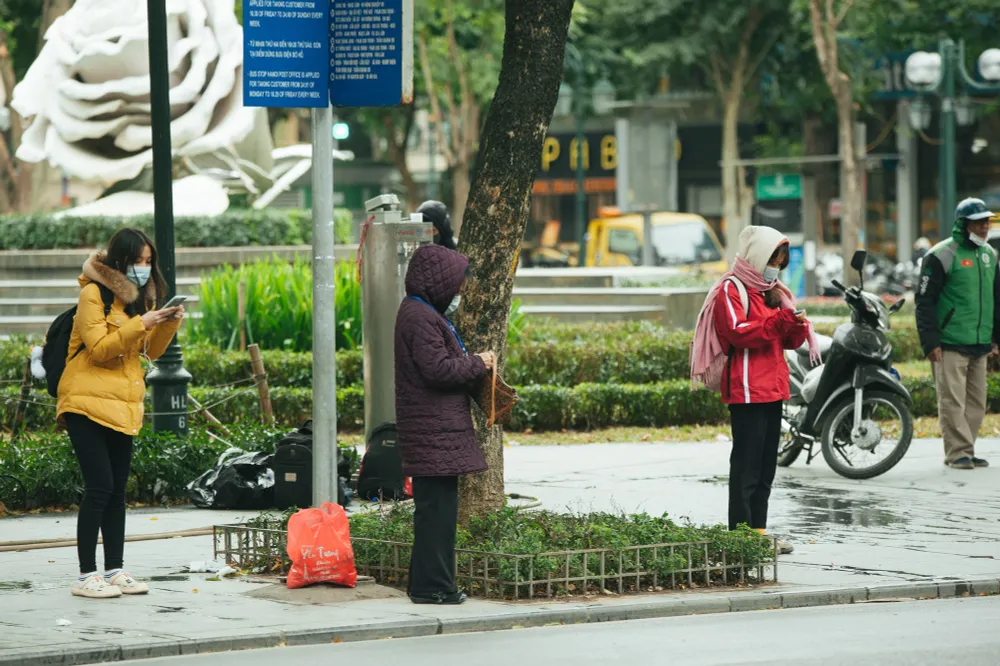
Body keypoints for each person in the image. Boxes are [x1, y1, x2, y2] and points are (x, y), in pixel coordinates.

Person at [57, 228, 184, 598]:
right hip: (84, 402)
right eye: (137, 261)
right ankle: (85, 577)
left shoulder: (138, 303)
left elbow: (151, 352)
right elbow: (98, 349)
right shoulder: (92, 294)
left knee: (116, 493)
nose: (144, 268)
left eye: (148, 262)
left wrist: (167, 321)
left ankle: (114, 570)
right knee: (99, 488)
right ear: (118, 261)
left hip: (123, 405)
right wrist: (139, 323)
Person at [690, 226, 816, 553]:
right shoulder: (730, 290)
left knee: (765, 469)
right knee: (745, 467)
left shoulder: (773, 291)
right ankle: (739, 537)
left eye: (780, 260)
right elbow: (738, 332)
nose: (776, 265)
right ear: (757, 256)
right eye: (773, 258)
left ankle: (758, 534)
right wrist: (778, 324)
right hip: (746, 390)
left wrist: (795, 326)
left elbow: (787, 341)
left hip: (773, 388)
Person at [394, 243, 495, 605]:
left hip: (435, 434)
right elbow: (437, 370)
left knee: (436, 515)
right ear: (436, 281)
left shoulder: (421, 313)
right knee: (436, 517)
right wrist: (478, 363)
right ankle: (433, 588)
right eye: (455, 284)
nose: (458, 292)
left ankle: (429, 584)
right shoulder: (420, 317)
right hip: (432, 433)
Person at [915, 198, 1000, 470]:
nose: (985, 226)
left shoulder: (990, 255)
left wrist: (995, 339)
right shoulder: (941, 255)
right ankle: (957, 453)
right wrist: (930, 342)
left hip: (980, 342)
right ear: (963, 225)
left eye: (987, 221)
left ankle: (967, 449)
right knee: (952, 401)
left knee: (977, 402)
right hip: (948, 342)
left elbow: (996, 300)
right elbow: (924, 301)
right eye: (979, 222)